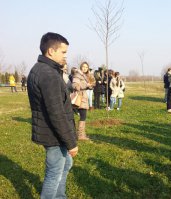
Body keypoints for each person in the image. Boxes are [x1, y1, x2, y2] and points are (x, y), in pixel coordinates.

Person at [27, 32, 78, 198]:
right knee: (54, 174)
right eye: (63, 52)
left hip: (52, 132)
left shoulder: (41, 69)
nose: (65, 56)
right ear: (50, 51)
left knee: (65, 164)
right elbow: (56, 114)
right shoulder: (48, 75)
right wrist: (71, 143)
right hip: (53, 135)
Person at [72, 62, 92, 140]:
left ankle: (81, 134)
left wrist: (90, 87)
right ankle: (80, 135)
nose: (85, 68)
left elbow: (84, 85)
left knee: (83, 116)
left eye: (86, 67)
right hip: (80, 97)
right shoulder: (77, 75)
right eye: (83, 67)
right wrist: (86, 85)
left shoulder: (85, 76)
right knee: (83, 116)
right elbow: (75, 85)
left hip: (84, 97)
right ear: (81, 67)